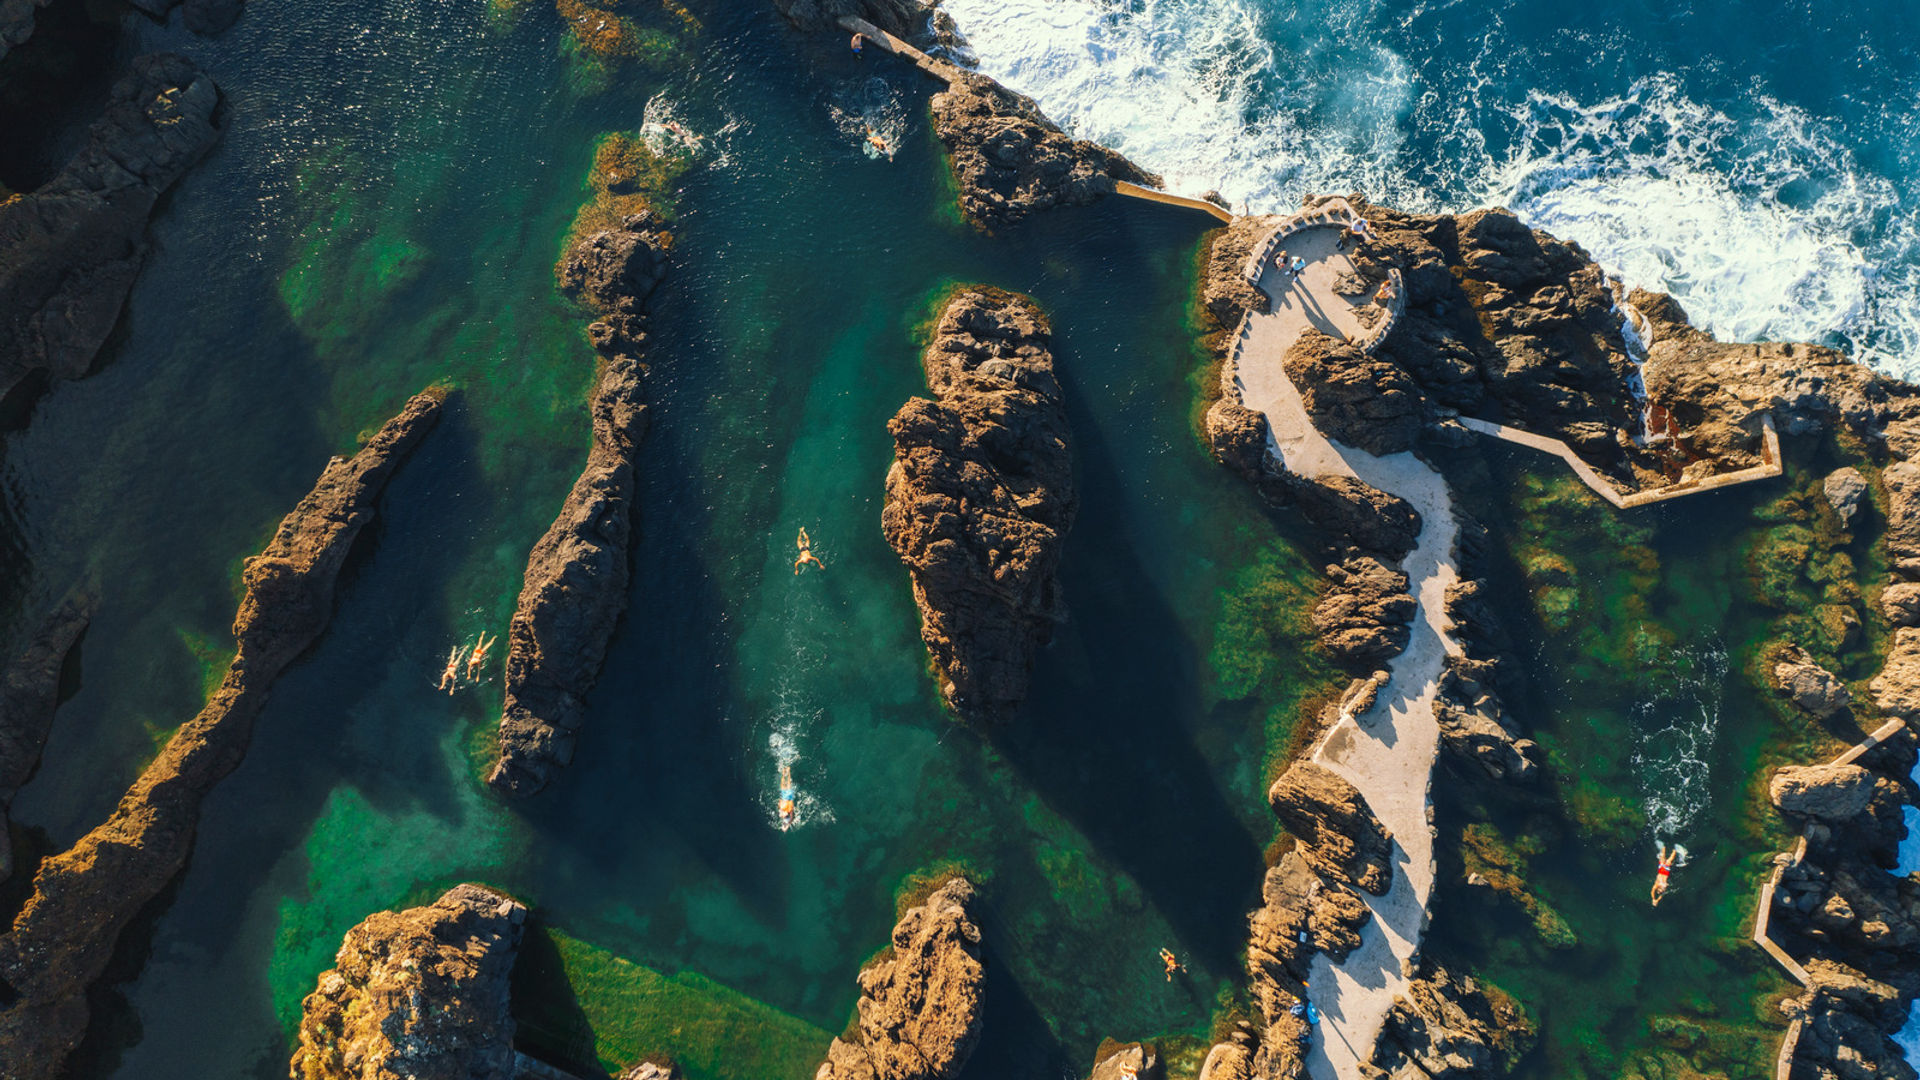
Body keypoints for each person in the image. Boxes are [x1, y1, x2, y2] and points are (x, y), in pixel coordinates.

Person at [1650, 841, 1687, 905]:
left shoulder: (1657, 884)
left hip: (1661, 870)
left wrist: (1653, 899)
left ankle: (1663, 843)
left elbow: (1652, 891)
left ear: (1658, 889)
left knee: (1663, 855)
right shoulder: (1664, 888)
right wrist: (1658, 900)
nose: (1661, 891)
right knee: (1671, 858)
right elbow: (1661, 895)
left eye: (1659, 891)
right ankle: (1675, 848)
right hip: (1666, 871)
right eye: (1661, 891)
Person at [778, 763, 799, 830]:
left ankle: (786, 771)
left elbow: (789, 818)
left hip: (787, 799)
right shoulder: (786, 811)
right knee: (786, 785)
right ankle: (786, 771)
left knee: (786, 785)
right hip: (787, 799)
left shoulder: (785, 811)